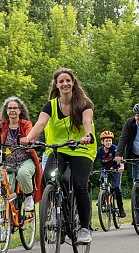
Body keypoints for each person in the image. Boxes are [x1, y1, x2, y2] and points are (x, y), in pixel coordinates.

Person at [20, 68, 96, 243]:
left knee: (79, 184)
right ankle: (56, 211)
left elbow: (87, 121)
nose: (65, 84)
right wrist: (28, 138)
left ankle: (84, 228)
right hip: (57, 148)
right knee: (49, 177)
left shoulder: (84, 103)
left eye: (67, 80)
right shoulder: (51, 105)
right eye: (61, 81)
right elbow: (40, 123)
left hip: (81, 148)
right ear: (56, 85)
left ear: (73, 82)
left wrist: (88, 135)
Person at [0, 97, 43, 211]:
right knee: (3, 181)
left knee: (23, 174)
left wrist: (27, 140)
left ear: (20, 110)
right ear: (6, 111)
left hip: (25, 161)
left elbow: (31, 135)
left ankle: (28, 197)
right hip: (7, 163)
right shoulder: (2, 125)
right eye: (10, 108)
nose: (12, 110)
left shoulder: (25, 124)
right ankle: (5, 217)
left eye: (15, 108)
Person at [96, 131, 126, 218]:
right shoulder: (99, 150)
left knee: (116, 188)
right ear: (102, 142)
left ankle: (121, 209)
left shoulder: (115, 148)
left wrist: (122, 166)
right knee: (101, 179)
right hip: (105, 169)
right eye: (106, 141)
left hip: (115, 169)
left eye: (110, 141)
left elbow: (121, 158)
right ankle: (102, 198)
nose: (108, 143)